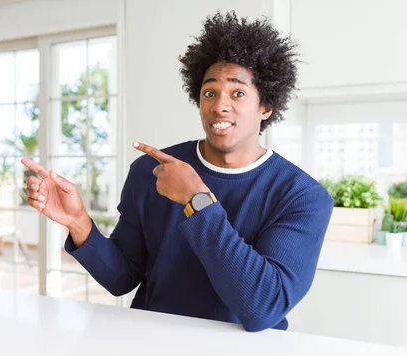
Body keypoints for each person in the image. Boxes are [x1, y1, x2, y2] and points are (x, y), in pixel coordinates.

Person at [21, 11, 333, 332]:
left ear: (265, 106)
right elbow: (122, 278)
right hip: (152, 341)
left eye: (237, 93)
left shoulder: (303, 197)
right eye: (209, 92)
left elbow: (263, 307)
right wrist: (79, 223)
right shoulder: (152, 171)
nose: (219, 105)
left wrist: (196, 201)